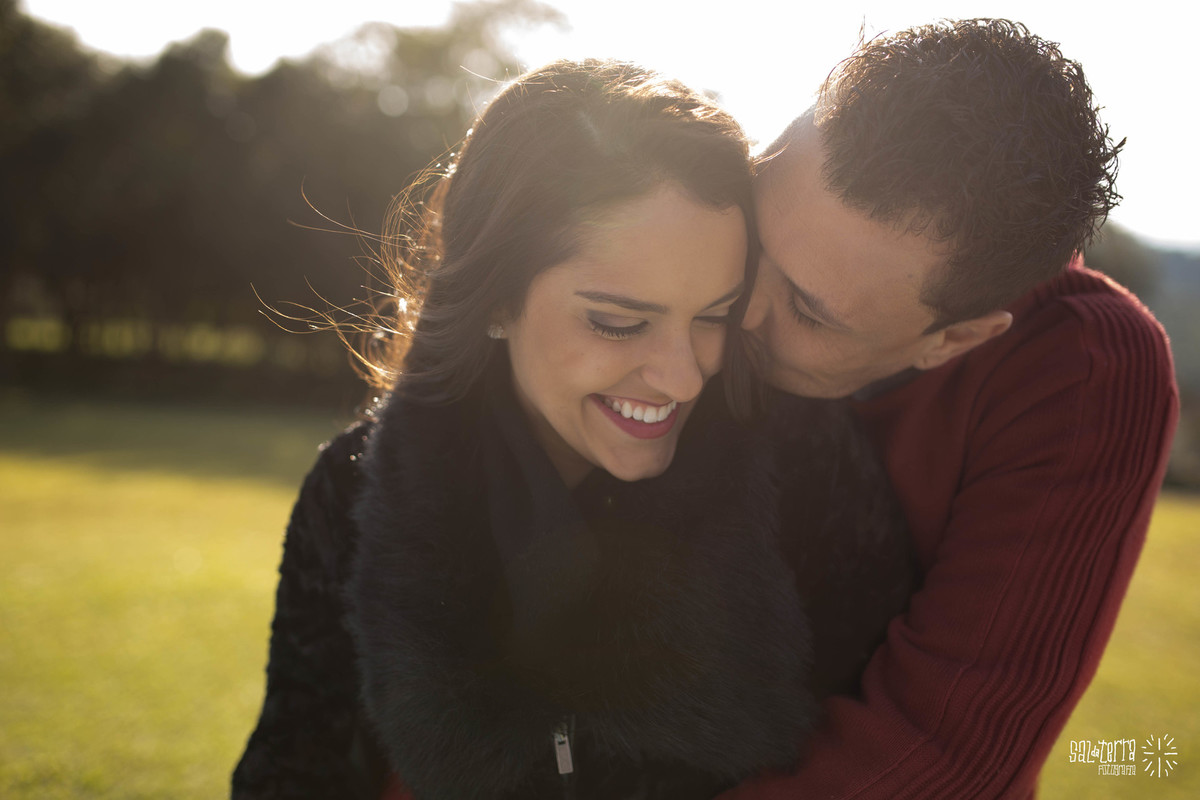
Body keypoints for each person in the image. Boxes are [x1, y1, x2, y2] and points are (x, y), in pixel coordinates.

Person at [232, 60, 912, 800]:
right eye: (619, 323)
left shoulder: (806, 468)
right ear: (494, 300)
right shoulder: (354, 491)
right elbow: (293, 769)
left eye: (715, 317)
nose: (684, 378)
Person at [720, 18, 1179, 799]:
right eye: (755, 242)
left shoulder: (1081, 367)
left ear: (954, 339)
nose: (735, 310)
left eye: (808, 309)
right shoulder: (686, 208)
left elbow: (940, 755)